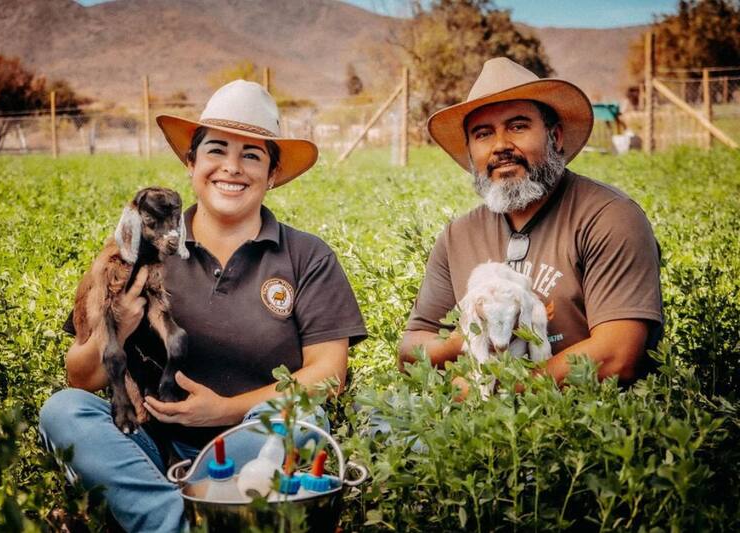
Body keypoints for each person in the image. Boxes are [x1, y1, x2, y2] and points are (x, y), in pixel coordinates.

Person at [39, 80, 367, 532]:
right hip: (152, 449)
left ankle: (174, 513)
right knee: (64, 411)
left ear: (271, 174)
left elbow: (328, 373)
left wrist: (226, 410)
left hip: (253, 445)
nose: (231, 168)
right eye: (216, 150)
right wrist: (118, 324)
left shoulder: (306, 256)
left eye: (252, 155)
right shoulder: (135, 249)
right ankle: (182, 520)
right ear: (191, 162)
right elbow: (82, 375)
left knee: (300, 419)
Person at [399, 57, 663, 391]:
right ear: (470, 152)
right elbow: (410, 350)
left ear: (555, 136)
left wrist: (495, 393)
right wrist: (464, 337)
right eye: (483, 134)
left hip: (594, 424)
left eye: (518, 126)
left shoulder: (608, 216)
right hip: (480, 429)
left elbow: (617, 356)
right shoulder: (458, 236)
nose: (501, 146)